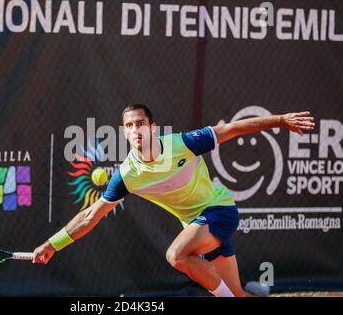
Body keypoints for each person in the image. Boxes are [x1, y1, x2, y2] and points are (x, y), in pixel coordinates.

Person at [32, 104, 315, 297]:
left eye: (140, 123)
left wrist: (279, 120)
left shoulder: (183, 143)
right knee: (237, 293)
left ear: (153, 127)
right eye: (129, 126)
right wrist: (52, 244)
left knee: (176, 256)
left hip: (220, 211)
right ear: (125, 133)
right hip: (197, 226)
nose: (135, 130)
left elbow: (231, 129)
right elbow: (89, 216)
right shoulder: (127, 175)